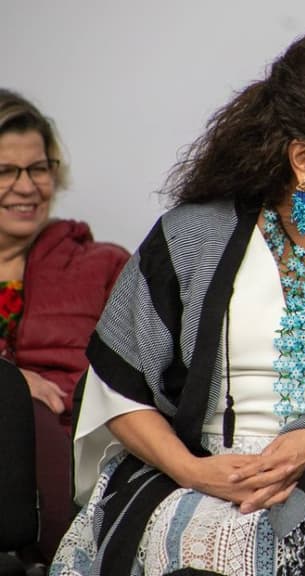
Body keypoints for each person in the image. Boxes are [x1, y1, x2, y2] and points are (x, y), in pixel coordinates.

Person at [49, 30, 305, 576]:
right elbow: (116, 393)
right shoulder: (190, 238)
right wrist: (195, 473)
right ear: (303, 158)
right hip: (193, 470)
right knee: (188, 539)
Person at [0, 89, 129, 565]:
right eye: (5, 171)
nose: (26, 187)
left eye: (38, 168)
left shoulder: (104, 266)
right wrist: (14, 384)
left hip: (75, 453)